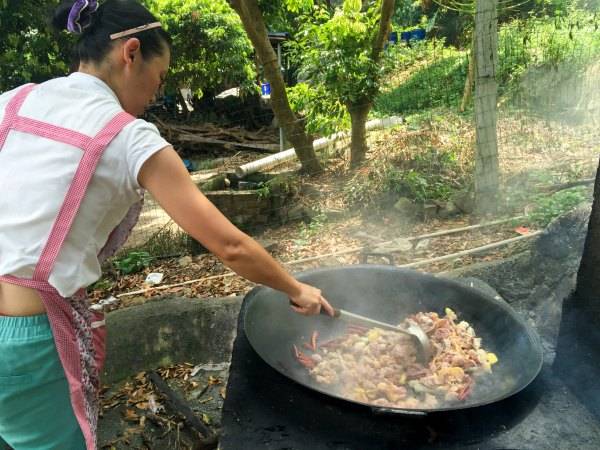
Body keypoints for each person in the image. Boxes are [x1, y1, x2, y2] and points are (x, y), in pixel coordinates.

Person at [0, 1, 333, 449]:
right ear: (131, 53)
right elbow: (229, 245)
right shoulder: (127, 137)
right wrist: (297, 289)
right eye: (159, 78)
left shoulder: (13, 101)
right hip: (28, 345)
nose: (156, 94)